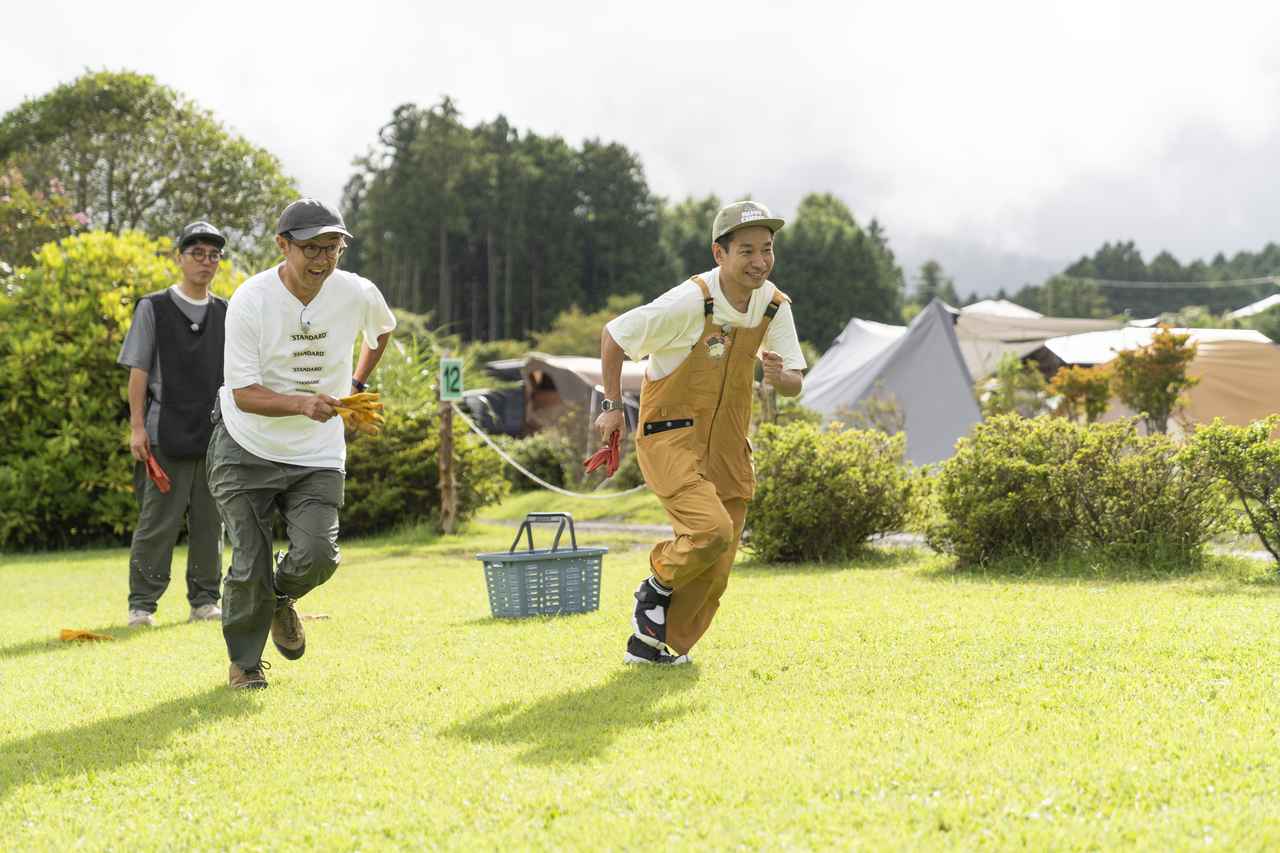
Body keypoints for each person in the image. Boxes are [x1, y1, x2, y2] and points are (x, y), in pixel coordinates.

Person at [595, 200, 807, 665]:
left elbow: (794, 382)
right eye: (746, 250)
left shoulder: (773, 306)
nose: (759, 261)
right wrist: (611, 408)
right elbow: (615, 336)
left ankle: (651, 645)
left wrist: (780, 378)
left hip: (730, 445)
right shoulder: (690, 301)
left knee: (718, 563)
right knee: (710, 532)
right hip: (669, 436)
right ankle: (655, 582)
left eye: (767, 250)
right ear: (719, 253)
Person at [206, 198, 396, 690]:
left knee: (317, 554)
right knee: (248, 561)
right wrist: (301, 403)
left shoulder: (356, 292)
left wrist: (355, 384)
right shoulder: (252, 299)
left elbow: (383, 330)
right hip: (245, 445)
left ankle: (279, 599)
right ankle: (245, 667)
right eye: (311, 248)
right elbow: (244, 394)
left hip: (316, 452)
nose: (322, 260)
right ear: (283, 246)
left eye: (332, 248)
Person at [118, 221, 230, 627]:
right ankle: (142, 606)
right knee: (157, 523)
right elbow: (138, 373)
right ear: (179, 258)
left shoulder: (226, 312)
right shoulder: (153, 307)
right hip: (164, 431)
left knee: (209, 521)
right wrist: (136, 428)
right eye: (197, 253)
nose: (206, 261)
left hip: (215, 435)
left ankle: (204, 602)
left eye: (214, 254)